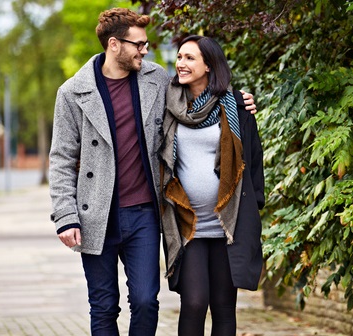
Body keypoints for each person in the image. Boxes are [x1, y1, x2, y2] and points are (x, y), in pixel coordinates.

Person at [48, 8, 256, 336]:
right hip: (94, 215)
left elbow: (197, 99)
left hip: (144, 212)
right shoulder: (73, 93)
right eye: (139, 45)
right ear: (114, 44)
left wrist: (237, 101)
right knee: (103, 304)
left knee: (146, 301)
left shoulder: (156, 79)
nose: (145, 51)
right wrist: (65, 216)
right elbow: (61, 159)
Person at [158, 35, 265, 336]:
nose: (181, 63)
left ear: (209, 65)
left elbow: (254, 161)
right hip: (188, 223)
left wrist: (252, 210)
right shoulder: (168, 104)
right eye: (179, 57)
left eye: (190, 58)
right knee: (193, 303)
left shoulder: (236, 107)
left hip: (226, 224)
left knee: (223, 306)